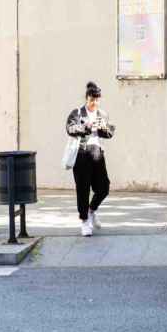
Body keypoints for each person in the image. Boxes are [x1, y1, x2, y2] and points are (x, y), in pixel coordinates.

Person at [65, 82, 115, 236]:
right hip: (81, 154)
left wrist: (102, 128)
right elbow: (70, 129)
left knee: (104, 187)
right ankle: (84, 221)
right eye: (92, 100)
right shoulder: (77, 113)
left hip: (97, 154)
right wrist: (86, 126)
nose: (94, 103)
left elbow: (110, 133)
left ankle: (91, 210)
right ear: (87, 98)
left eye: (97, 100)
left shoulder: (102, 114)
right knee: (83, 189)